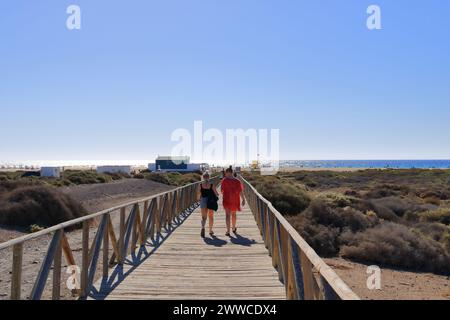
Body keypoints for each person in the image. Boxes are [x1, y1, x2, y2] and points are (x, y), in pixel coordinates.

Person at [221, 167, 245, 236]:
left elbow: (222, 191)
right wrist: (243, 199)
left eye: (226, 173)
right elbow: (240, 191)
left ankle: (228, 231)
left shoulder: (224, 180)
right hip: (235, 199)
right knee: (234, 214)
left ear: (228, 172)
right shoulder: (237, 181)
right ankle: (233, 228)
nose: (225, 174)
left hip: (226, 199)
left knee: (227, 215)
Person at [197, 172, 219, 238]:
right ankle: (210, 230)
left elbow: (198, 193)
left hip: (203, 200)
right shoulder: (211, 185)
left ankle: (203, 228)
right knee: (211, 216)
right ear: (209, 177)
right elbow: (216, 193)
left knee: (204, 217)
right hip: (210, 201)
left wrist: (198, 199)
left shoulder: (200, 185)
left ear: (203, 177)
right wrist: (217, 195)